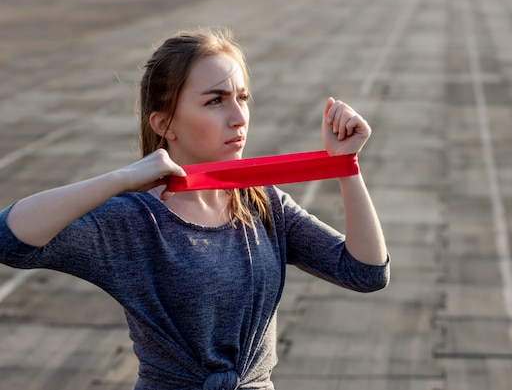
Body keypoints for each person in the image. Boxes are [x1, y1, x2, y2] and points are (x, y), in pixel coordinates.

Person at [0, 28, 389, 390]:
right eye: (216, 101)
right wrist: (120, 179)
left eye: (242, 98)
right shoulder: (132, 220)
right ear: (165, 124)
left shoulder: (263, 203)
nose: (239, 118)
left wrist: (345, 165)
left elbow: (366, 272)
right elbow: (9, 239)